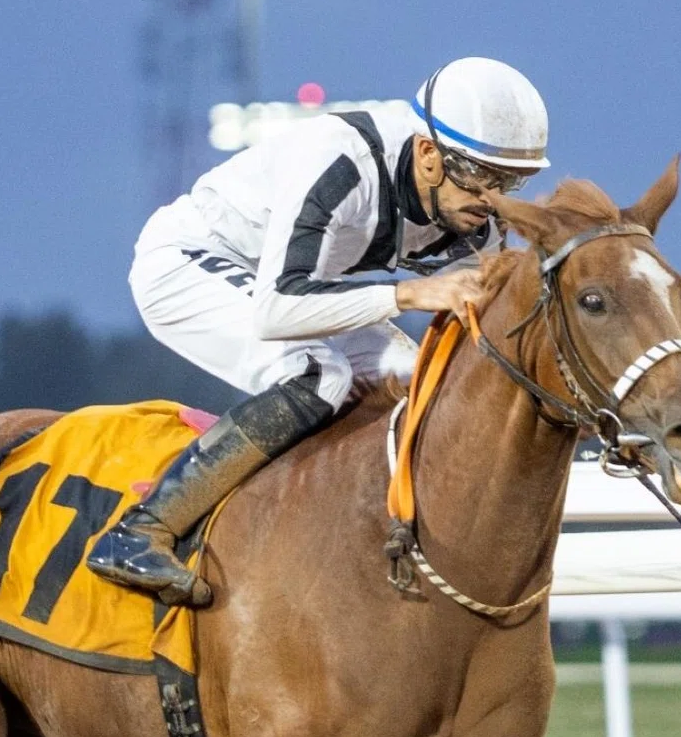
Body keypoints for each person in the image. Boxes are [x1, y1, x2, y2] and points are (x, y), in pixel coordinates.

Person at [87, 57, 550, 607]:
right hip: (190, 264)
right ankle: (142, 531)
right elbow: (277, 310)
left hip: (295, 285)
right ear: (428, 154)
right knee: (318, 373)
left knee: (418, 376)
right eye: (480, 176)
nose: (493, 199)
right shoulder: (341, 161)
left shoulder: (474, 215)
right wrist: (405, 295)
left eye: (511, 182)